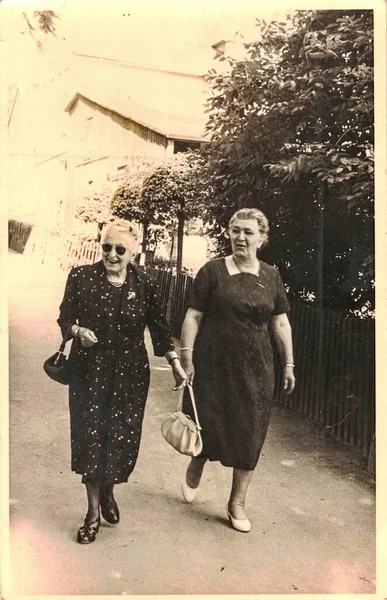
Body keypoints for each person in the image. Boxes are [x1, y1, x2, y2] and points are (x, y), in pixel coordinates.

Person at [57, 219, 186, 544]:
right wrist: (77, 332)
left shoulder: (145, 282)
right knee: (91, 437)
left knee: (120, 438)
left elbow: (158, 326)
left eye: (119, 249)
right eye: (106, 247)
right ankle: (92, 512)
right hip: (90, 370)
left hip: (130, 373)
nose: (111, 255)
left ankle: (108, 490)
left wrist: (174, 362)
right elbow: (65, 316)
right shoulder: (82, 277)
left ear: (134, 251)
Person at [179, 208, 295, 533]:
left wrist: (288, 363)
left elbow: (281, 321)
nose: (240, 237)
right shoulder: (212, 272)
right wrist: (186, 356)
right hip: (213, 365)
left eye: (247, 231)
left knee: (251, 430)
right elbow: (193, 317)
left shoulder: (271, 276)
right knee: (209, 423)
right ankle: (196, 462)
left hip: (257, 369)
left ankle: (237, 503)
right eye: (235, 230)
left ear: (261, 237)